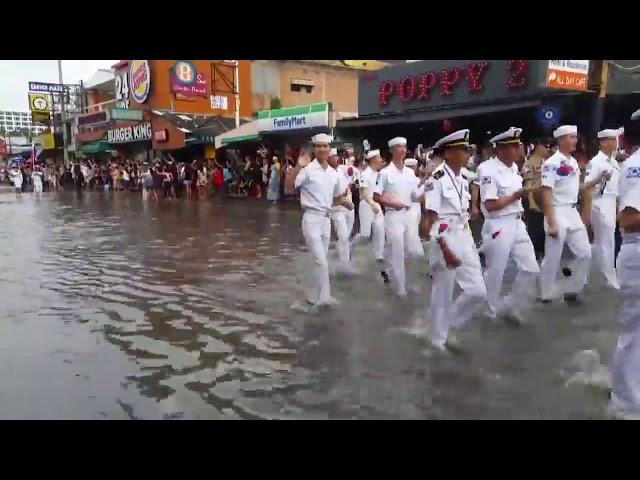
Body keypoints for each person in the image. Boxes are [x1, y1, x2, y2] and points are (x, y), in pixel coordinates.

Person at [423, 129, 487, 351]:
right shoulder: (437, 178)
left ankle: (446, 324)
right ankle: (437, 341)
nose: (467, 153)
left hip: (464, 235)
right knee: (443, 291)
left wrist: (469, 240)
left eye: (467, 149)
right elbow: (432, 218)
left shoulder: (462, 177)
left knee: (478, 291)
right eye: (462, 149)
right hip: (445, 237)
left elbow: (463, 212)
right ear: (448, 153)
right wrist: (444, 248)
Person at [478, 127, 540, 323]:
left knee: (531, 268)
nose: (518, 149)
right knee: (495, 270)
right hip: (498, 224)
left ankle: (510, 306)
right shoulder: (487, 170)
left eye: (518, 145)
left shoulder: (514, 168)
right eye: (513, 146)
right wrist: (516, 195)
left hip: (516, 222)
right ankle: (490, 311)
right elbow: (490, 204)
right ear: (501, 149)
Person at [285, 133, 353, 307]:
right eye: (319, 146)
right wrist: (297, 167)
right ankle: (325, 298)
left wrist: (344, 202)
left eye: (325, 146)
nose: (322, 149)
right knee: (322, 261)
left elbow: (336, 197)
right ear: (314, 149)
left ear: (329, 149)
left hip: (326, 220)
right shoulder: (307, 170)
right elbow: (288, 187)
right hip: (311, 219)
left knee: (319, 260)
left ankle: (311, 294)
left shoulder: (333, 174)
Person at [609, 109, 640, 419]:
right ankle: (626, 405)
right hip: (637, 252)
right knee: (635, 334)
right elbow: (630, 219)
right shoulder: (638, 165)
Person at [538, 125, 592, 303]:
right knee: (552, 256)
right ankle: (545, 292)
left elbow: (576, 188)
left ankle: (572, 289)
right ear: (560, 140)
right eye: (570, 137)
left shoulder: (573, 162)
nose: (574, 141)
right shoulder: (551, 163)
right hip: (557, 210)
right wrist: (551, 221)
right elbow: (546, 192)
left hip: (572, 211)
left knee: (585, 252)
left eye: (575, 137)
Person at [374, 137, 422, 298]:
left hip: (409, 215)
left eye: (404, 147)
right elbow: (376, 196)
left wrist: (428, 189)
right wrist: (392, 203)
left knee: (414, 251)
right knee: (398, 251)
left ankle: (389, 271)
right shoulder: (384, 173)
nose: (402, 150)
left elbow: (416, 195)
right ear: (392, 150)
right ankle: (401, 288)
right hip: (393, 216)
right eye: (399, 147)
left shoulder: (410, 173)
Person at [579, 129, 621, 290]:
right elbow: (586, 187)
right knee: (606, 241)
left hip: (611, 202)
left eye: (615, 139)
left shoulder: (614, 162)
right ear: (603, 142)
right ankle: (609, 277)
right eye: (611, 140)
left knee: (603, 242)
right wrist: (600, 178)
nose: (615, 143)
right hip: (599, 202)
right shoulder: (596, 162)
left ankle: (583, 274)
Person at [521, 138, 552, 259]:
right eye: (546, 147)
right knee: (535, 229)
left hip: (544, 199)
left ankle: (543, 252)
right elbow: (528, 184)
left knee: (544, 228)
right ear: (538, 147)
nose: (548, 149)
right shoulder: (529, 163)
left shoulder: (547, 162)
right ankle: (534, 254)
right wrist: (532, 202)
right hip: (533, 200)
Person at [330, 149, 357, 274]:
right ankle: (344, 265)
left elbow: (352, 174)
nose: (337, 158)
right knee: (343, 236)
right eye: (334, 157)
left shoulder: (341, 170)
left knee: (346, 236)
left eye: (337, 156)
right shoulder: (326, 174)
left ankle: (343, 256)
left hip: (349, 208)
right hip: (337, 209)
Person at [358, 149, 385, 262]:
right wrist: (372, 204)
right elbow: (364, 192)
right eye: (379, 158)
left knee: (380, 230)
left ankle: (379, 255)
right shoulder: (364, 174)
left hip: (376, 205)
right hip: (366, 205)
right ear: (373, 159)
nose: (381, 160)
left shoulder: (379, 175)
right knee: (365, 235)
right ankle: (350, 247)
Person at [403, 157, 426, 258]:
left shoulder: (414, 179)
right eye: (416, 166)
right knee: (412, 233)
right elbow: (417, 198)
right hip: (412, 209)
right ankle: (416, 256)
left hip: (413, 209)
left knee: (410, 233)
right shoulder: (412, 180)